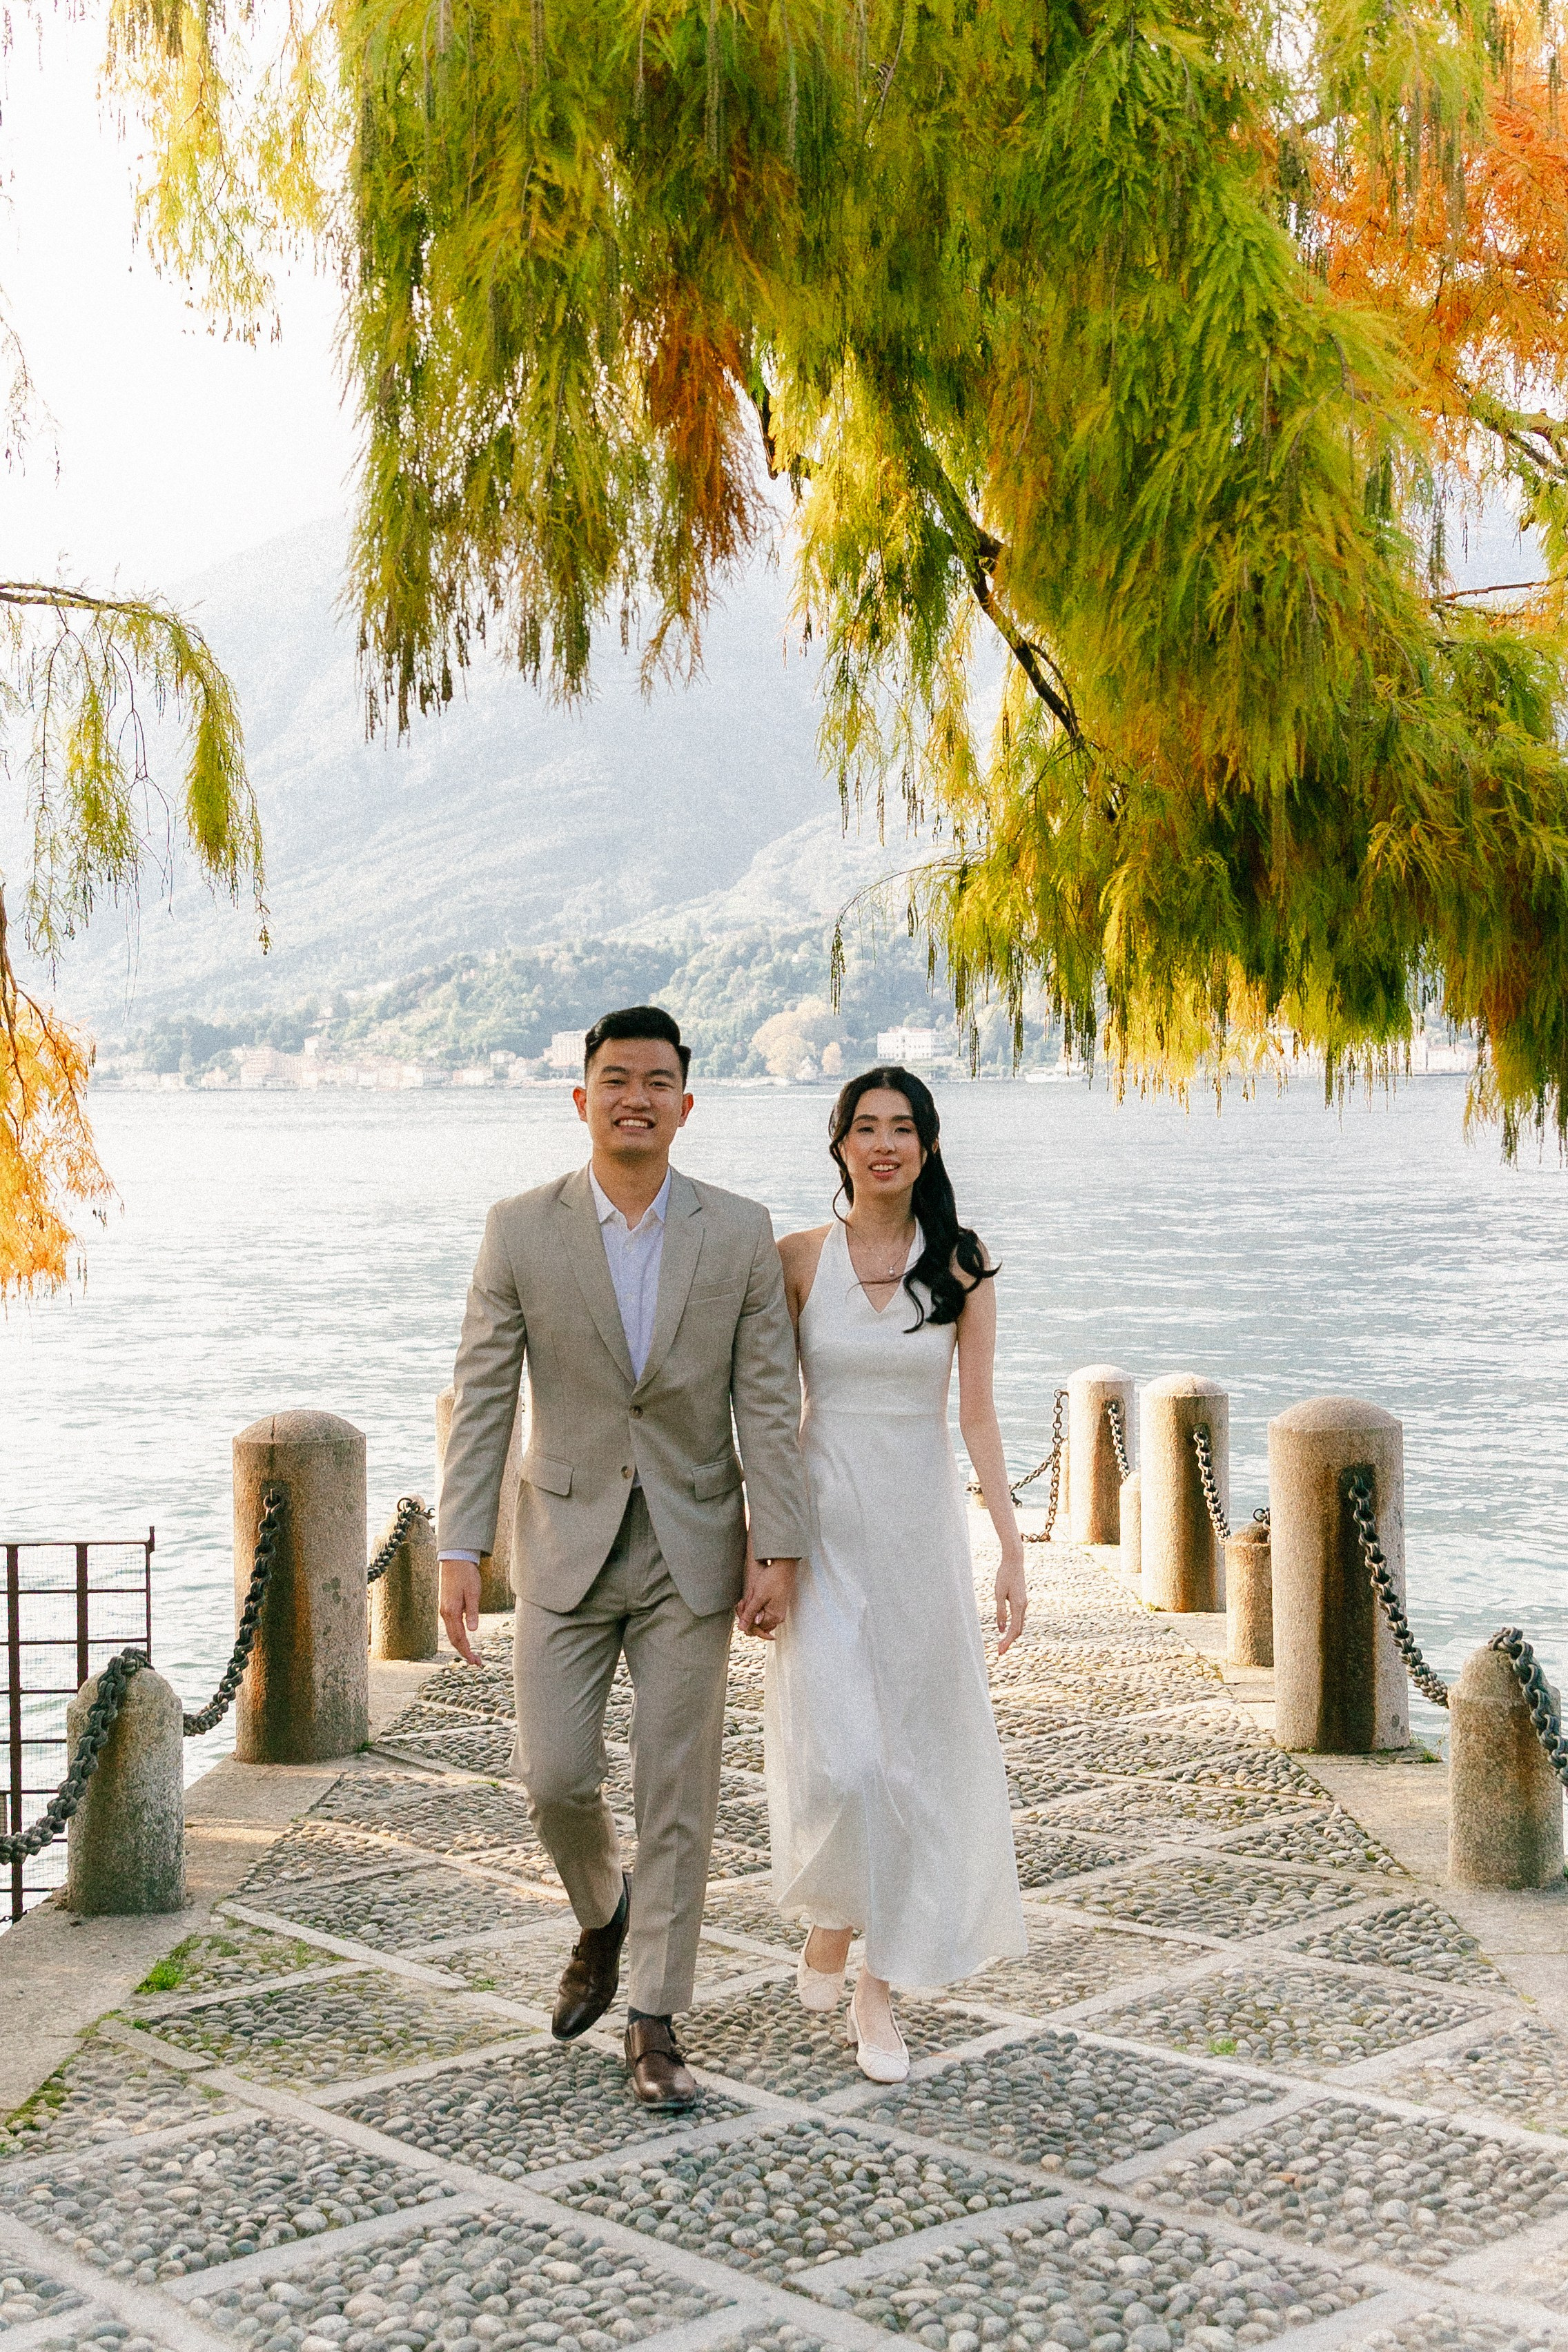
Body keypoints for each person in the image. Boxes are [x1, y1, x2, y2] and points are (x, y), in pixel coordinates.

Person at [437, 1006, 810, 2110]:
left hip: (693, 1545)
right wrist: (462, 1545)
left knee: (676, 1788)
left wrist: (776, 1547)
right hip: (562, 1543)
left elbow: (767, 1406)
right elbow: (485, 1397)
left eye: (656, 1082)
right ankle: (603, 1915)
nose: (634, 1098)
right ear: (582, 1098)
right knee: (554, 1775)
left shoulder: (737, 1232)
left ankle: (654, 2018)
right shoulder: (520, 1230)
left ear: (686, 1106)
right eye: (615, 1080)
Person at [766, 1065, 1028, 2081]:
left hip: (919, 1539)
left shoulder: (960, 1263)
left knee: (911, 1762)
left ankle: (877, 1980)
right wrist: (765, 1544)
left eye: (904, 1129)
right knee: (844, 1761)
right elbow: (766, 1413)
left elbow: (977, 1415)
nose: (885, 1145)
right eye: (866, 1128)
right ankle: (834, 1916)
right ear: (838, 1144)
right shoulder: (796, 1260)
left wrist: (1009, 1546)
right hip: (824, 1536)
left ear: (926, 1146)